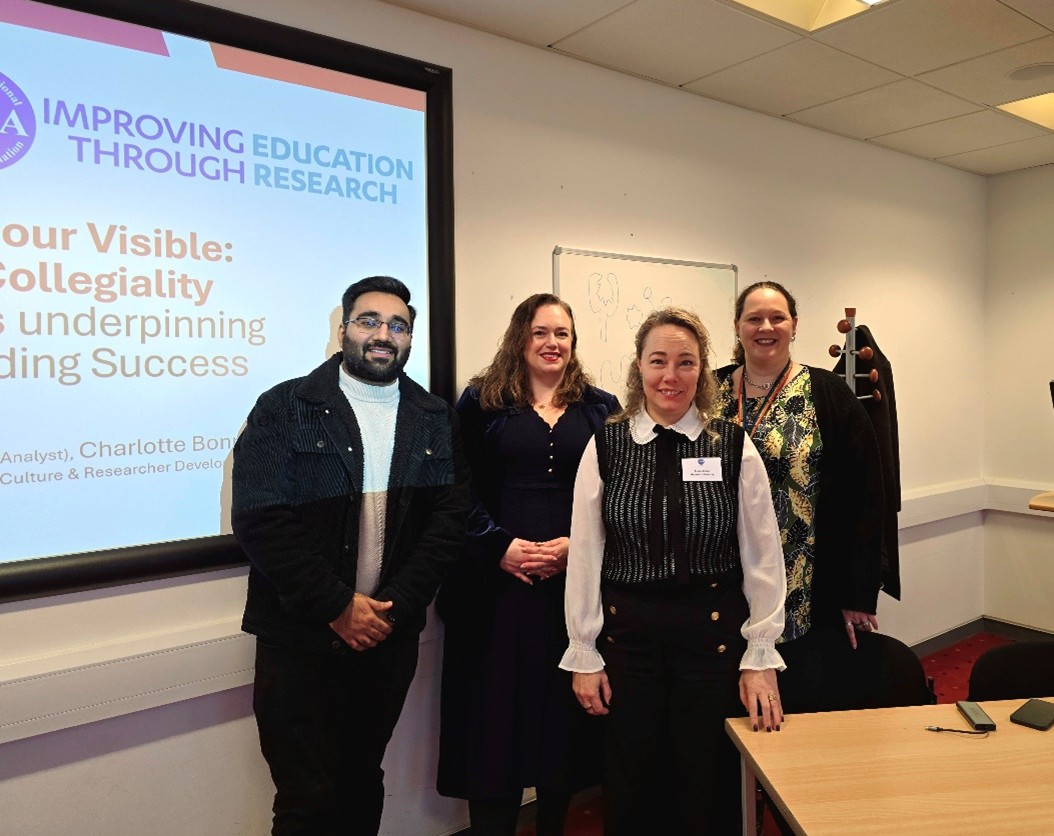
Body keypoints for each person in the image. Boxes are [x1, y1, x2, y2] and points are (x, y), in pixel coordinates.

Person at [232, 276, 469, 835]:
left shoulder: (432, 416)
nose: (383, 334)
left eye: (397, 325)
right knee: (305, 797)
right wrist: (339, 606)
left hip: (386, 636)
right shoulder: (287, 406)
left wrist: (390, 607)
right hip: (300, 636)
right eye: (369, 321)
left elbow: (447, 522)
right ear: (344, 330)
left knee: (362, 778)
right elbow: (261, 517)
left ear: (409, 338)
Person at [561, 306, 787, 835]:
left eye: (686, 363)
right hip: (627, 642)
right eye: (658, 361)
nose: (671, 376)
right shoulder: (607, 445)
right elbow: (588, 554)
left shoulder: (732, 446)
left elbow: (763, 555)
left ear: (703, 370)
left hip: (712, 640)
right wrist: (584, 651)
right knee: (632, 780)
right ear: (638, 368)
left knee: (706, 782)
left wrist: (760, 655)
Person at [436, 293, 620, 835]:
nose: (552, 343)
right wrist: (498, 546)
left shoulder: (600, 407)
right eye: (540, 332)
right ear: (521, 338)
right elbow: (454, 487)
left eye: (562, 333)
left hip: (569, 593)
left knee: (559, 724)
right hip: (492, 593)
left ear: (574, 343)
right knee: (491, 724)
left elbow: (618, 492)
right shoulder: (480, 403)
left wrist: (575, 547)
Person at [713, 281, 885, 713]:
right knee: (721, 706)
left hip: (803, 582)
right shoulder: (707, 391)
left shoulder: (829, 395)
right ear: (737, 326)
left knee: (798, 702)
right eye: (754, 318)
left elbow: (865, 496)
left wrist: (856, 594)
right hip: (719, 577)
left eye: (777, 317)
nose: (765, 327)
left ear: (794, 325)